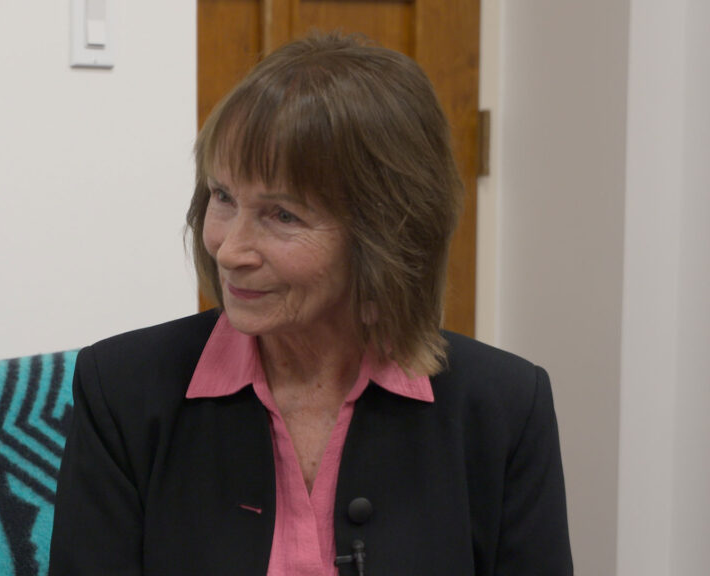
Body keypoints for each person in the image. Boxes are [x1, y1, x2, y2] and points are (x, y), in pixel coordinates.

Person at [49, 33, 572, 576]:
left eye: (282, 215)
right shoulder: (122, 392)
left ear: (384, 236)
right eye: (223, 197)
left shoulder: (504, 409)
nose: (229, 249)